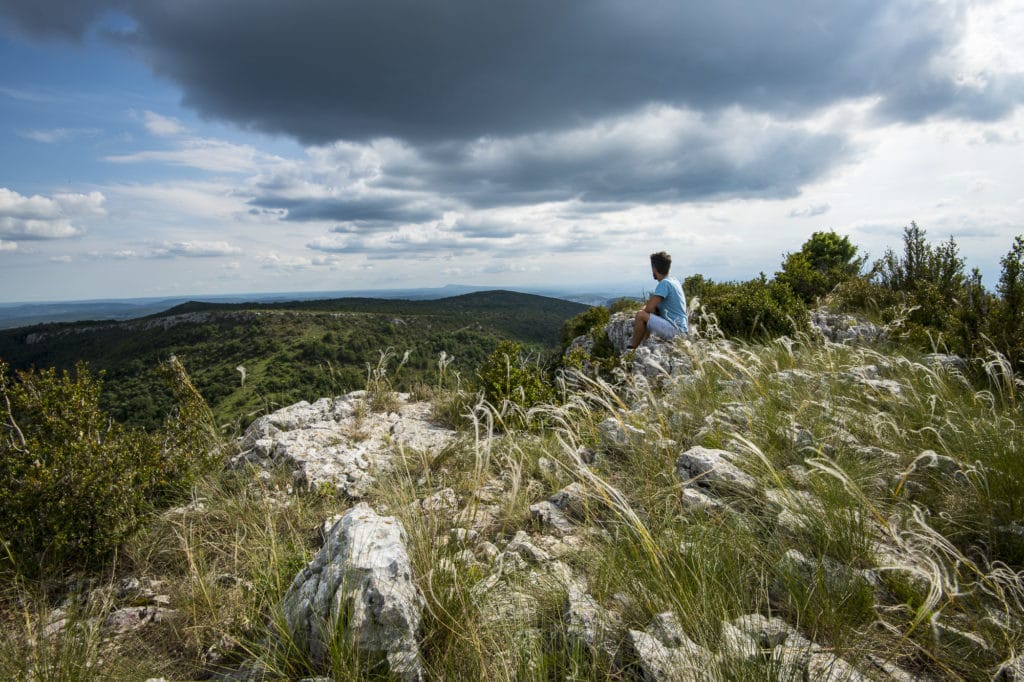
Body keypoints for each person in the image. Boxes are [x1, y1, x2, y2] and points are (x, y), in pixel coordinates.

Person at [628, 251, 687, 350]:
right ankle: (644, 344)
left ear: (654, 268)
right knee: (650, 313)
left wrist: (647, 309)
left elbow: (649, 308)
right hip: (682, 329)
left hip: (675, 330)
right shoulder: (674, 281)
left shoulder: (664, 283)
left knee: (641, 315)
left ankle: (631, 348)